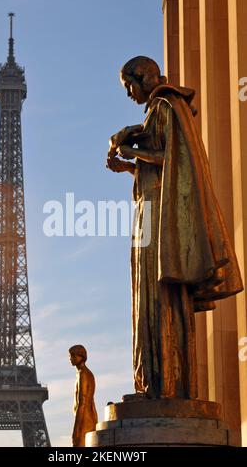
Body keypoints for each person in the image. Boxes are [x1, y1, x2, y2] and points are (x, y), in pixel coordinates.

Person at [107, 56, 243, 399]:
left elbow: (173, 159)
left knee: (158, 297)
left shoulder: (167, 105)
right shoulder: (158, 111)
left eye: (129, 86)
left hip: (161, 219)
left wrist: (128, 148)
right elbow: (160, 167)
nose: (128, 94)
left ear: (144, 78)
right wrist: (127, 166)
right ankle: (155, 382)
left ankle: (165, 385)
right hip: (151, 214)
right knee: (148, 298)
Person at [69, 345, 98, 447]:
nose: (70, 358)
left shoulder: (83, 374)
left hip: (84, 419)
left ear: (81, 356)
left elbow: (82, 402)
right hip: (87, 416)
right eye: (70, 355)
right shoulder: (83, 373)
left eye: (73, 355)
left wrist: (76, 428)